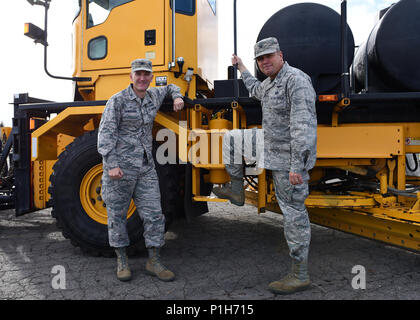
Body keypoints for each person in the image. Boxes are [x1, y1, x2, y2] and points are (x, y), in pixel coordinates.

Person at [212, 37, 317, 294]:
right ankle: (237, 191)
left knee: (293, 213)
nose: (265, 61)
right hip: (270, 144)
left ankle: (299, 274)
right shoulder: (270, 84)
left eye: (269, 56)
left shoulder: (296, 80)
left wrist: (296, 167)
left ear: (281, 55)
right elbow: (254, 87)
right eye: (260, 59)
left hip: (288, 157)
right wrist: (241, 67)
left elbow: (303, 128)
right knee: (233, 139)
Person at [97, 58, 184, 282]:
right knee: (117, 216)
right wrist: (112, 165)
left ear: (151, 77)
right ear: (131, 77)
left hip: (145, 168)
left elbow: (172, 86)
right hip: (120, 170)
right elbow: (106, 135)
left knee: (155, 215)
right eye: (139, 74)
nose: (142, 78)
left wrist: (177, 96)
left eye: (146, 74)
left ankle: (153, 260)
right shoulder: (117, 101)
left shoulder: (154, 95)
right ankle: (122, 260)